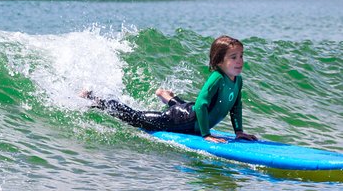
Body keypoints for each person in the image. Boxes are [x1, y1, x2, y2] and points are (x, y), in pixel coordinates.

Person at [81, 35, 257, 143]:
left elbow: (235, 106)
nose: (239, 61)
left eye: (241, 56)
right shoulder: (217, 78)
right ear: (219, 61)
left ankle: (167, 96)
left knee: (185, 107)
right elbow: (202, 104)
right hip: (183, 119)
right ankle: (96, 99)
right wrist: (206, 135)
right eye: (233, 57)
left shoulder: (237, 80)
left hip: (190, 112)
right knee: (136, 118)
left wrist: (239, 132)